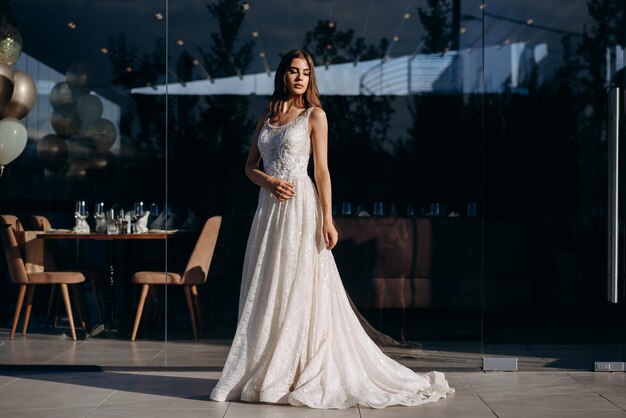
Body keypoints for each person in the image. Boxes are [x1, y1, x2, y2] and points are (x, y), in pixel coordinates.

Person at [209, 49, 454, 409]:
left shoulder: (315, 115)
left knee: (299, 284)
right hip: (269, 209)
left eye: (305, 73)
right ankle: (265, 367)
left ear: (310, 79)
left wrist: (328, 218)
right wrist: (267, 181)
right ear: (282, 75)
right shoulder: (266, 115)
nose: (299, 78)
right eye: (293, 71)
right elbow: (249, 165)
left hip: (300, 208)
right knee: (269, 282)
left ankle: (294, 369)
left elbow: (322, 171)